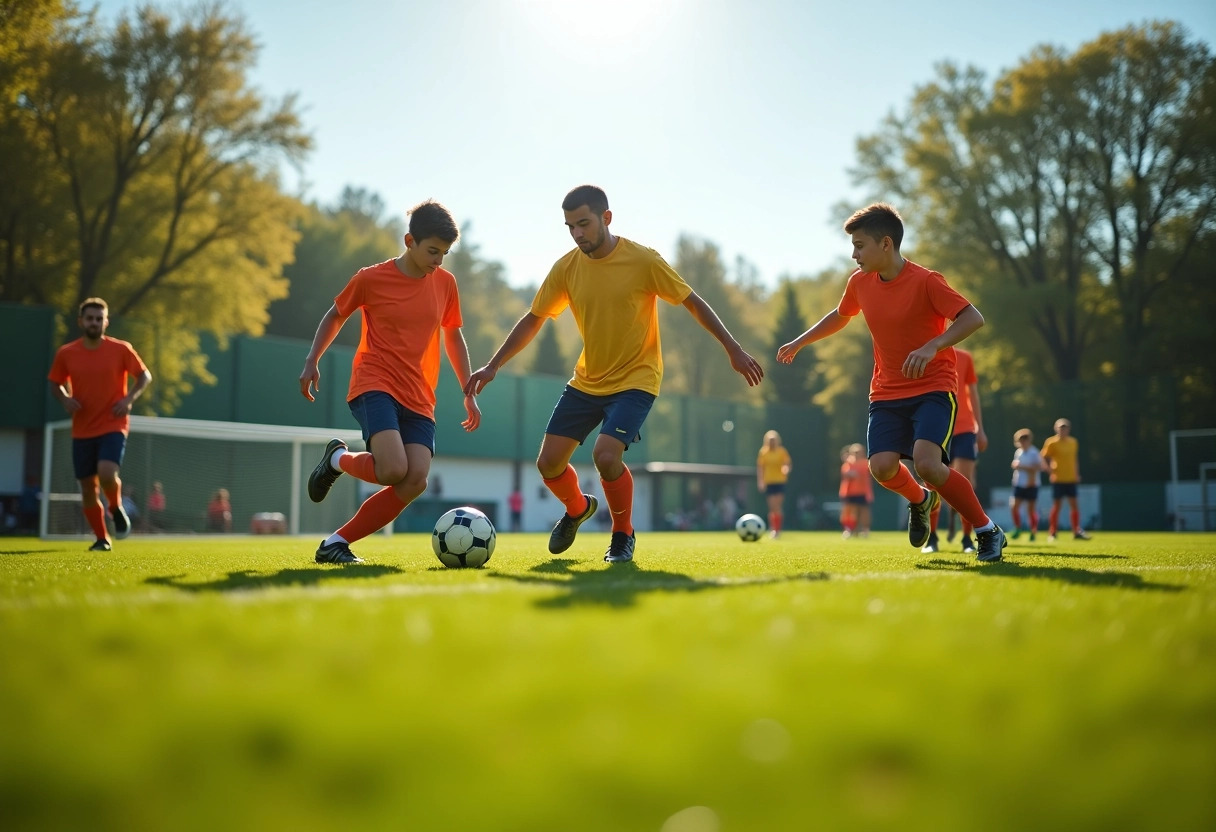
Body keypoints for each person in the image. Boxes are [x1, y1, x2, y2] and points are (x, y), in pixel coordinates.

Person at [463, 185, 763, 564]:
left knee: (606, 455)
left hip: (637, 379)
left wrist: (732, 348)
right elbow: (533, 319)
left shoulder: (643, 260)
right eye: (570, 226)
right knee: (548, 465)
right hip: (586, 381)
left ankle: (622, 535)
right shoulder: (566, 268)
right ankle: (577, 509)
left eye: (584, 223)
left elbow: (692, 301)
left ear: (607, 217)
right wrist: (493, 365)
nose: (577, 233)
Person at [776, 203, 1007, 562]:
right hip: (886, 391)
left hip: (933, 387)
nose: (854, 254)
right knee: (881, 467)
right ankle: (921, 499)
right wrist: (800, 341)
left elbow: (972, 317)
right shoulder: (859, 283)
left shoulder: (927, 281)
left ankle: (987, 531)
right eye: (852, 246)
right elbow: (840, 316)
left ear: (886, 243)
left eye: (860, 245)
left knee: (928, 465)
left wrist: (933, 346)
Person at [300, 199, 481, 564]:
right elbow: (336, 315)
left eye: (445, 253)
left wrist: (468, 391)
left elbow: (453, 336)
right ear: (409, 241)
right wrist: (312, 360)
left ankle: (335, 542)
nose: (438, 260)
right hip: (375, 382)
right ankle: (337, 459)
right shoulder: (371, 278)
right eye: (432, 251)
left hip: (420, 395)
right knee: (393, 469)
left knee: (414, 480)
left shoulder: (445, 283)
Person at [48, 297, 152, 552]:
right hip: (82, 428)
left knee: (106, 473)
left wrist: (128, 399)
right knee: (87, 487)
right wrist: (65, 399)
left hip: (113, 423)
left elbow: (144, 375)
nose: (94, 322)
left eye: (99, 318)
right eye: (89, 318)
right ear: (81, 321)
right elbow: (55, 382)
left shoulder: (121, 349)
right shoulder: (67, 353)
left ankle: (115, 507)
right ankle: (102, 538)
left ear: (106, 322)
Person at [923, 346, 988, 554]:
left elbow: (973, 394)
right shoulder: (925, 351)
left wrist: (980, 429)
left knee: (965, 481)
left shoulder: (965, 357)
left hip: (965, 428)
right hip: (937, 425)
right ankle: (931, 537)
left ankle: (968, 539)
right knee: (931, 481)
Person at [1041, 417, 1091, 541]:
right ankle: (1052, 532)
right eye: (1060, 428)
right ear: (1056, 429)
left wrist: (1076, 474)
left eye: (1065, 428)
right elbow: (1043, 457)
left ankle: (1076, 531)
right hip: (1058, 479)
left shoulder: (1073, 442)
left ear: (1069, 429)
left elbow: (1074, 460)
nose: (1063, 430)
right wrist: (1049, 470)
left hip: (1071, 479)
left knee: (1074, 505)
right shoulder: (1051, 442)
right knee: (1057, 506)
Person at [1009, 428, 1045, 540]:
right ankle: (1017, 528)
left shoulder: (1034, 452)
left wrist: (1022, 467)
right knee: (1014, 507)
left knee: (1031, 510)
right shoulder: (1018, 452)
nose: (1023, 442)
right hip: (1019, 483)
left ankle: (1033, 531)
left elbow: (1039, 467)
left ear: (1029, 440)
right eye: (1021, 440)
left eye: (1025, 439)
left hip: (1031, 484)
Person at [756, 430, 792, 538]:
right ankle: (773, 528)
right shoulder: (763, 452)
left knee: (778, 506)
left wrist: (786, 469)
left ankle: (778, 529)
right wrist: (761, 481)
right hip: (769, 482)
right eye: (770, 440)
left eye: (774, 440)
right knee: (772, 507)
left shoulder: (782, 451)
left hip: (780, 481)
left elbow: (787, 464)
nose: (772, 442)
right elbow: (760, 468)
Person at [839, 443, 873, 538]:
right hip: (849, 492)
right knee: (849, 513)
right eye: (855, 452)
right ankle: (849, 530)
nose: (857, 454)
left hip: (863, 492)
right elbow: (846, 474)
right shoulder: (847, 464)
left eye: (859, 452)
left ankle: (865, 530)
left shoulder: (866, 463)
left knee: (864, 512)